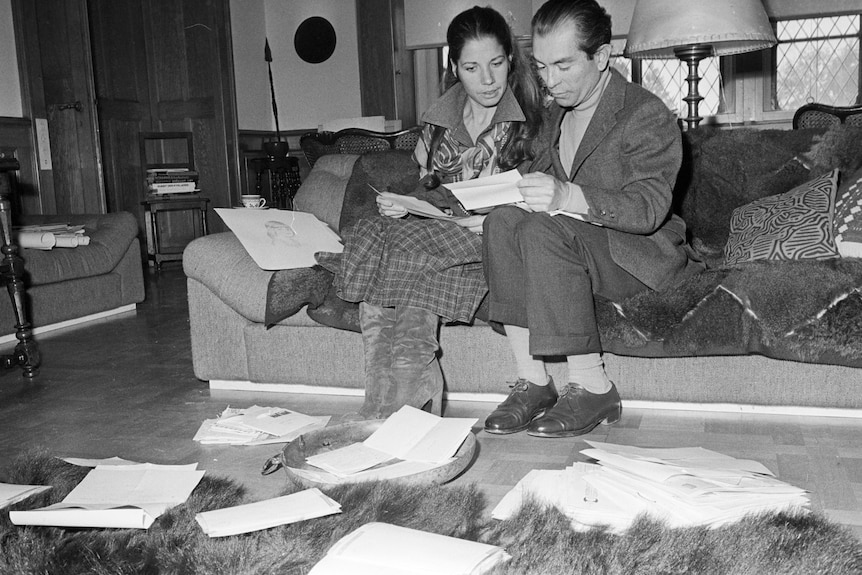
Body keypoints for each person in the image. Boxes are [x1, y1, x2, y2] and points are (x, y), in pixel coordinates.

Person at [481, 0, 705, 437]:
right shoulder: (553, 116)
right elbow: (538, 184)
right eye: (542, 66)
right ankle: (535, 383)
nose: (550, 80)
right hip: (574, 246)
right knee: (502, 223)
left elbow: (647, 208)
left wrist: (568, 194)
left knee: (542, 228)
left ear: (601, 57)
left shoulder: (646, 114)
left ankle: (594, 386)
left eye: (563, 65)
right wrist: (503, 194)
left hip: (635, 255)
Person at [317, 6, 543, 420]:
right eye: (472, 67)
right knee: (377, 231)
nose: (488, 79)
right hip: (437, 233)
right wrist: (405, 204)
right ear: (454, 67)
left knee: (397, 256)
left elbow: (545, 200)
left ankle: (405, 405)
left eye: (496, 63)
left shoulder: (534, 121)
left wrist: (490, 219)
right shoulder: (437, 124)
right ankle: (383, 405)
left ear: (510, 57)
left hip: (491, 240)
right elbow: (428, 188)